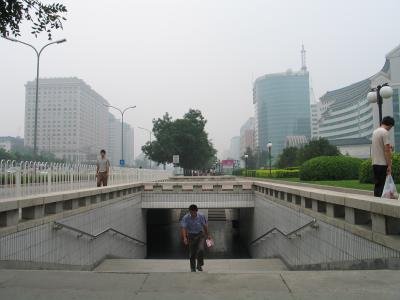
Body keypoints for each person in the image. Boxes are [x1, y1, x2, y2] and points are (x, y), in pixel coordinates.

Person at [180, 204, 211, 272]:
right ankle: (193, 268)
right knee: (192, 253)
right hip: (191, 236)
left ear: (197, 211)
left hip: (200, 235)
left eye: (194, 212)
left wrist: (208, 235)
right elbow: (183, 228)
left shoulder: (201, 216)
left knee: (201, 250)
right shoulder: (186, 217)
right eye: (191, 213)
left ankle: (199, 265)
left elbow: (204, 226)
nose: (193, 214)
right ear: (189, 211)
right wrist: (185, 238)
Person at [371, 116, 395, 197]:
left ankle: (376, 203)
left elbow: (380, 146)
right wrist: (389, 165)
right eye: (391, 127)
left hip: (375, 163)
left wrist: (389, 146)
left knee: (378, 186)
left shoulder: (375, 132)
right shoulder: (385, 132)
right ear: (390, 125)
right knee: (383, 186)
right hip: (382, 163)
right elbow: (386, 150)